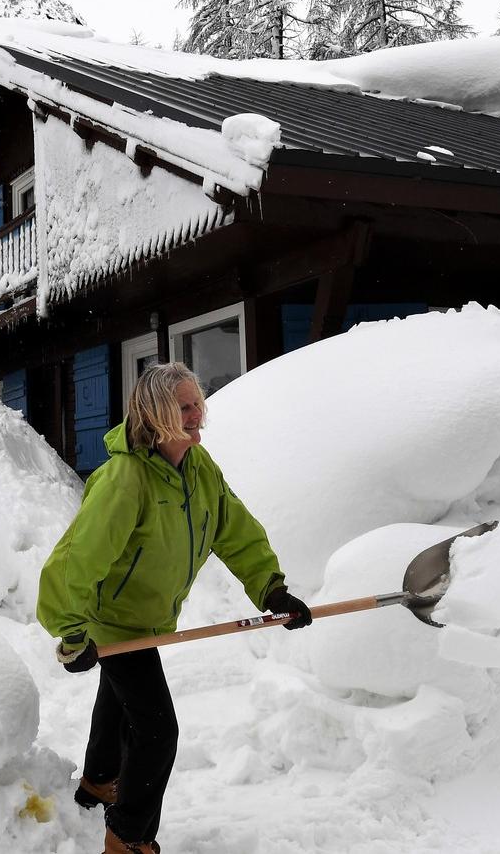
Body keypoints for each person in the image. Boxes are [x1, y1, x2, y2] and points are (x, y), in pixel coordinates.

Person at [37, 361, 312, 854]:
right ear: (156, 412)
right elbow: (78, 558)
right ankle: (128, 837)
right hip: (115, 621)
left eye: (196, 403)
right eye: (183, 406)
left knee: (119, 701)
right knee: (157, 732)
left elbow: (236, 530)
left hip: (145, 616)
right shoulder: (126, 479)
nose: (195, 415)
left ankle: (99, 782)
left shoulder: (198, 468)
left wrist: (270, 589)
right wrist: (71, 631)